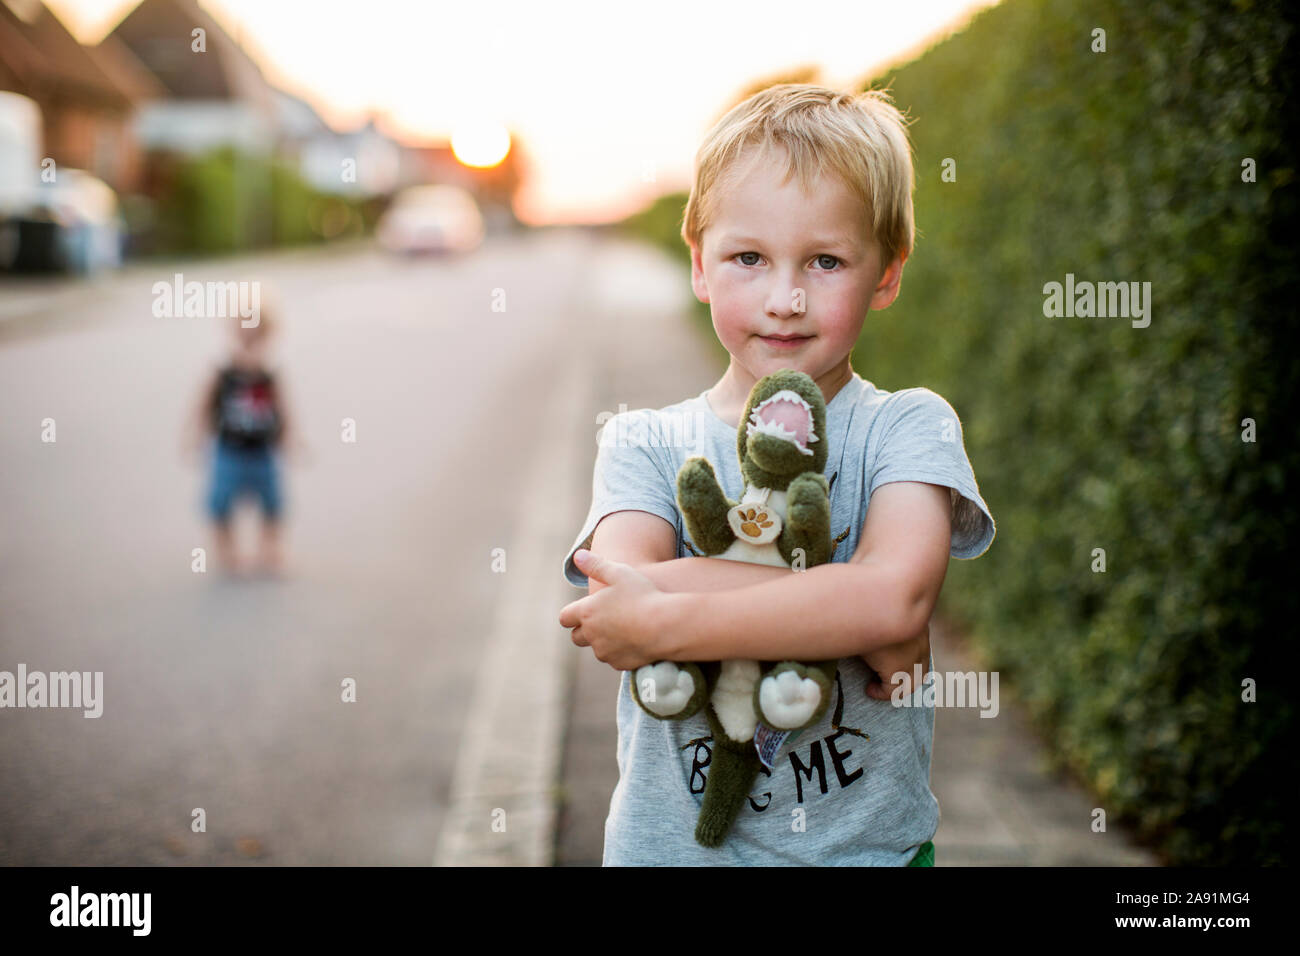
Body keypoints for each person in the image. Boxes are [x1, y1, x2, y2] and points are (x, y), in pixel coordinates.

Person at [557, 84, 996, 865]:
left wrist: (669, 619)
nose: (785, 298)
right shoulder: (646, 442)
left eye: (826, 261)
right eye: (749, 258)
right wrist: (851, 612)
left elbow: (895, 596)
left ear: (887, 276)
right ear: (699, 265)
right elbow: (616, 601)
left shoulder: (908, 426)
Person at [182, 309, 304, 577]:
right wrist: (193, 434)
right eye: (243, 336)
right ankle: (226, 551)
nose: (250, 345)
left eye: (258, 338)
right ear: (231, 333)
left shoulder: (270, 374)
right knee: (220, 502)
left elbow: (284, 409)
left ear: (270, 338)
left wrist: (292, 437)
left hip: (264, 452)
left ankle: (270, 548)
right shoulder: (222, 372)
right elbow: (202, 405)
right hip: (229, 452)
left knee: (273, 503)